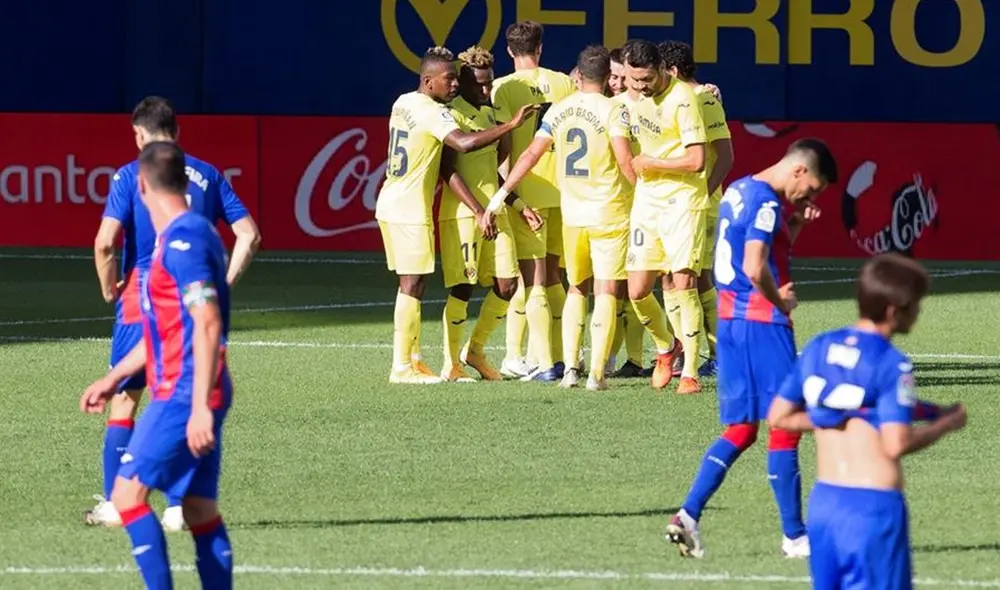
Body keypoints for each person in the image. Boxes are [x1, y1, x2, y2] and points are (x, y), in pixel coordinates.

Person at [88, 96, 260, 531]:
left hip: (143, 293)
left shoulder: (131, 175)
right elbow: (249, 234)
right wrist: (223, 283)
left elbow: (106, 242)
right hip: (191, 292)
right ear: (177, 132)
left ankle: (115, 503)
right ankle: (179, 506)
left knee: (125, 399)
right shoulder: (207, 174)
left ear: (138, 135)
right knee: (181, 395)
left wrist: (109, 288)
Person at [664, 138, 838, 559]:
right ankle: (795, 536)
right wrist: (781, 301)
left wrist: (796, 224)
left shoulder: (740, 189)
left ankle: (687, 516)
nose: (810, 196)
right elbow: (755, 266)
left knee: (742, 429)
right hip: (762, 322)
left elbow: (763, 248)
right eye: (812, 188)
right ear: (799, 170)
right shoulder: (767, 203)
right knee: (787, 424)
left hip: (730, 323)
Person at [81, 141, 237, 589]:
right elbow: (166, 332)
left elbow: (207, 322)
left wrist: (200, 406)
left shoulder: (184, 242)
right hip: (194, 386)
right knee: (198, 510)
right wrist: (114, 377)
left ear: (142, 187)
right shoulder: (185, 235)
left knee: (127, 496)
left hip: (185, 392)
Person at [768, 253, 967, 589]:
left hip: (824, 506)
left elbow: (779, 416)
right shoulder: (891, 363)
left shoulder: (819, 347)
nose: (918, 313)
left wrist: (834, 417)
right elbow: (896, 443)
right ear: (893, 310)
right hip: (873, 509)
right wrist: (945, 425)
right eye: (916, 305)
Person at [374, 46, 538, 385]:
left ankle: (419, 359)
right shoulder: (438, 113)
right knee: (414, 284)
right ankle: (405, 366)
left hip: (400, 202)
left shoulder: (403, 102)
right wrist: (511, 125)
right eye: (449, 79)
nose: (453, 85)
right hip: (412, 208)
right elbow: (460, 148)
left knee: (497, 284)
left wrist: (515, 204)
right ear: (428, 81)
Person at [494, 45, 635, 390]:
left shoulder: (559, 109)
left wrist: (502, 193)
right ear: (608, 77)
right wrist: (646, 197)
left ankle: (571, 368)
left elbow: (530, 154)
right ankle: (596, 374)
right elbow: (624, 161)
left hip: (573, 214)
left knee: (575, 287)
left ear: (579, 75)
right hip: (609, 212)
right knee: (606, 290)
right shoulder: (614, 110)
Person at [438, 45, 544, 382]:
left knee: (507, 285)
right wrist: (477, 210)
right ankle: (451, 363)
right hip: (463, 214)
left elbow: (494, 173)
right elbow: (447, 171)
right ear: (462, 83)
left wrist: (519, 206)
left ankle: (476, 350)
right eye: (479, 84)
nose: (486, 90)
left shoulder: (488, 113)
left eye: (489, 83)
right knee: (463, 288)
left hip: (493, 213)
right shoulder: (450, 115)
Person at [492, 20, 577, 382]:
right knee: (555, 276)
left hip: (527, 190)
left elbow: (503, 143)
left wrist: (506, 193)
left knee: (532, 280)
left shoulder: (502, 87)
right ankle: (561, 354)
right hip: (564, 191)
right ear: (540, 48)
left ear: (509, 50)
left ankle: (535, 361)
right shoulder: (563, 83)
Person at [622, 40, 703, 393]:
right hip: (647, 201)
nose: (640, 86)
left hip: (682, 201)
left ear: (661, 69)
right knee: (638, 290)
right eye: (634, 79)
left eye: (646, 79)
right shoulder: (634, 99)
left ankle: (691, 373)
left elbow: (697, 160)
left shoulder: (683, 99)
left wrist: (652, 163)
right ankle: (667, 347)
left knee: (683, 283)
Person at [658, 40, 735, 378]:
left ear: (673, 71)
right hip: (671, 205)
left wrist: (704, 191)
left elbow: (726, 156)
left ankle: (719, 355)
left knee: (696, 278)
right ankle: (682, 351)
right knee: (669, 277)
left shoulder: (704, 99)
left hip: (700, 206)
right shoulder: (669, 101)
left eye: (660, 71)